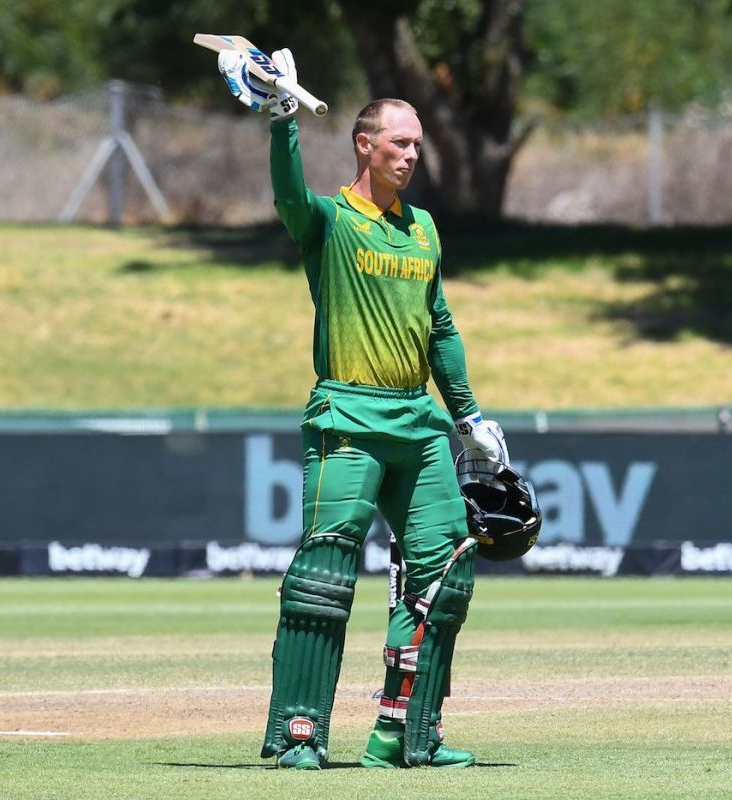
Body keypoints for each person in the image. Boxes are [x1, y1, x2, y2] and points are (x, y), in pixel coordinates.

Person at [217, 47, 509, 770]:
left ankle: (404, 735)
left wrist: (469, 417)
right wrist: (283, 119)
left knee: (448, 575)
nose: (411, 155)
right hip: (347, 416)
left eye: (417, 144)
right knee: (324, 578)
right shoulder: (331, 222)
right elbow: (289, 197)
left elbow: (440, 327)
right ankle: (299, 734)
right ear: (364, 144)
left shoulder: (424, 231)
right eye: (399, 143)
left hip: (419, 423)